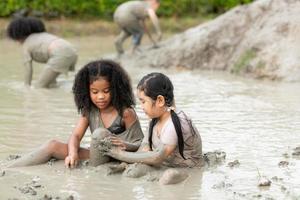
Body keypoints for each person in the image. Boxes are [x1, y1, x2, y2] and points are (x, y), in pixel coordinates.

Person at [9, 59, 144, 168]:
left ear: (116, 89)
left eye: (106, 91)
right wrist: (72, 154)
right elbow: (76, 135)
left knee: (99, 134)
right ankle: (9, 168)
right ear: (87, 91)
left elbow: (140, 143)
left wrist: (123, 145)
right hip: (96, 154)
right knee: (53, 145)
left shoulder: (125, 112)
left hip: (118, 156)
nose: (101, 97)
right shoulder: (90, 111)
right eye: (95, 92)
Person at [101, 72, 203, 184]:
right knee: (131, 173)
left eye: (143, 101)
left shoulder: (176, 122)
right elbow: (145, 147)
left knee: (168, 177)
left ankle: (178, 179)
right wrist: (125, 161)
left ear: (160, 101)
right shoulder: (155, 119)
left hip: (187, 169)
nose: (141, 106)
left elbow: (157, 157)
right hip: (165, 164)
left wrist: (119, 154)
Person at [6, 17, 78, 88]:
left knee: (39, 87)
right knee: (51, 84)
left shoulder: (26, 45)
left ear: (17, 35)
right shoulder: (44, 36)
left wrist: (26, 87)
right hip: (72, 51)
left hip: (59, 54)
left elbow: (28, 69)